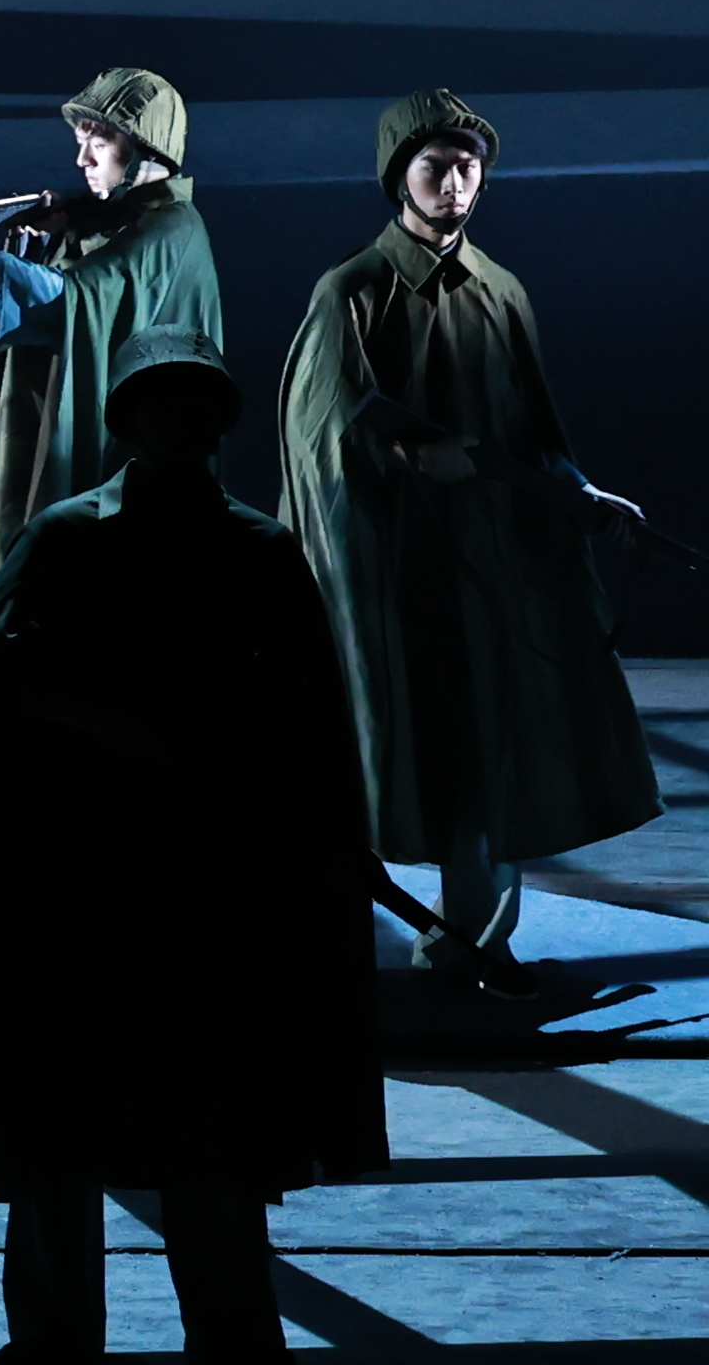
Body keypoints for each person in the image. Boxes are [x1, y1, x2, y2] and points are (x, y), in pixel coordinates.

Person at [0, 332, 381, 1365]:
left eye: (198, 404)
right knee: (59, 1122)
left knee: (213, 1123)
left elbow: (302, 722)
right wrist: (102, 724)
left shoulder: (256, 550)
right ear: (128, 419)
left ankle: (233, 1345)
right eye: (162, 403)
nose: (181, 421)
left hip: (207, 885)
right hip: (80, 878)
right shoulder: (71, 536)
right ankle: (60, 1345)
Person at [276, 91, 661, 993]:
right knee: (402, 742)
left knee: (492, 745)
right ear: (397, 177)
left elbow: (531, 431)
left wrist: (580, 493)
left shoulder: (501, 290)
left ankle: (478, 945)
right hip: (395, 565)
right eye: (434, 166)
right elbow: (320, 433)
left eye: (467, 166)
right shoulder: (353, 292)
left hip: (494, 563)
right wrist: (414, 461)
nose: (454, 182)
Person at [0, 66, 216, 626]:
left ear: (146, 148)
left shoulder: (169, 227)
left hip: (133, 446)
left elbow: (74, 297)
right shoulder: (122, 218)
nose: (83, 159)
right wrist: (60, 228)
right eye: (80, 141)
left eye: (101, 142)